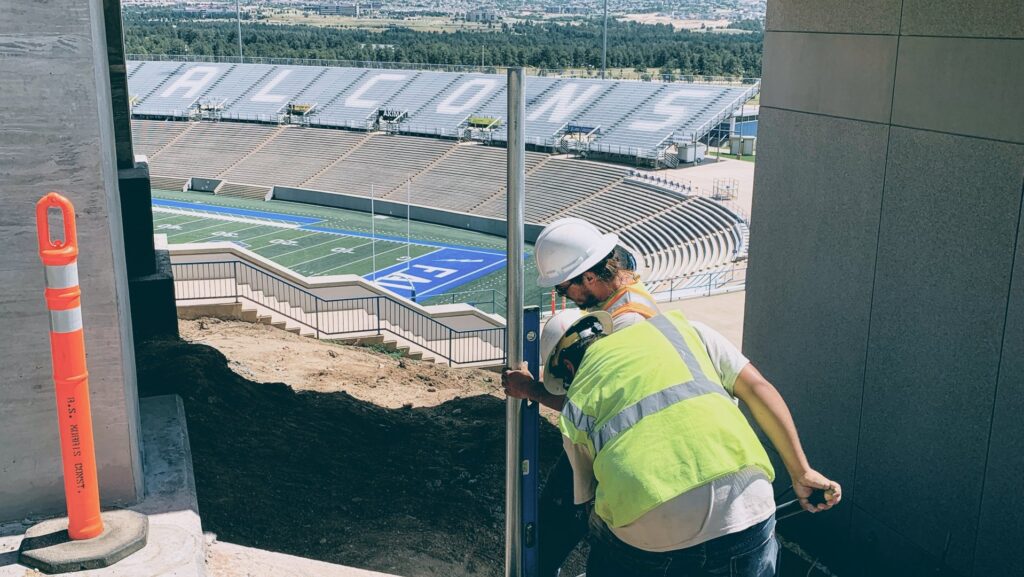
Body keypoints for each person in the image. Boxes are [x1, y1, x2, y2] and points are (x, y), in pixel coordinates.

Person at [527, 309, 841, 577]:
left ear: (567, 367)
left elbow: (586, 498)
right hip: (749, 509)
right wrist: (801, 472)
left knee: (603, 531)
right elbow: (758, 388)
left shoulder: (577, 400)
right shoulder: (684, 330)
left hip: (653, 535)